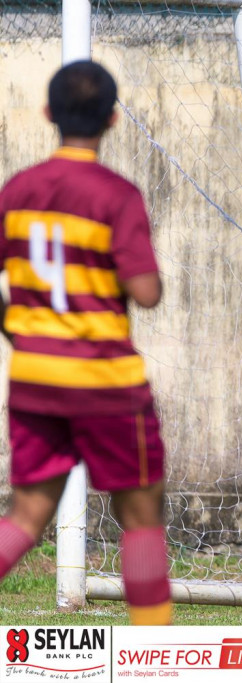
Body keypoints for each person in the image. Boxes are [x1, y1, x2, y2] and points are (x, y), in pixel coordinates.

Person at [0, 61, 172, 625]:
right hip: (104, 381)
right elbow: (146, 293)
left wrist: (19, 331)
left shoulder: (17, 191)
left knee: (26, 517)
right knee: (141, 519)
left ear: (48, 113)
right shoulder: (115, 195)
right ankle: (154, 652)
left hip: (35, 379)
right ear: (113, 119)